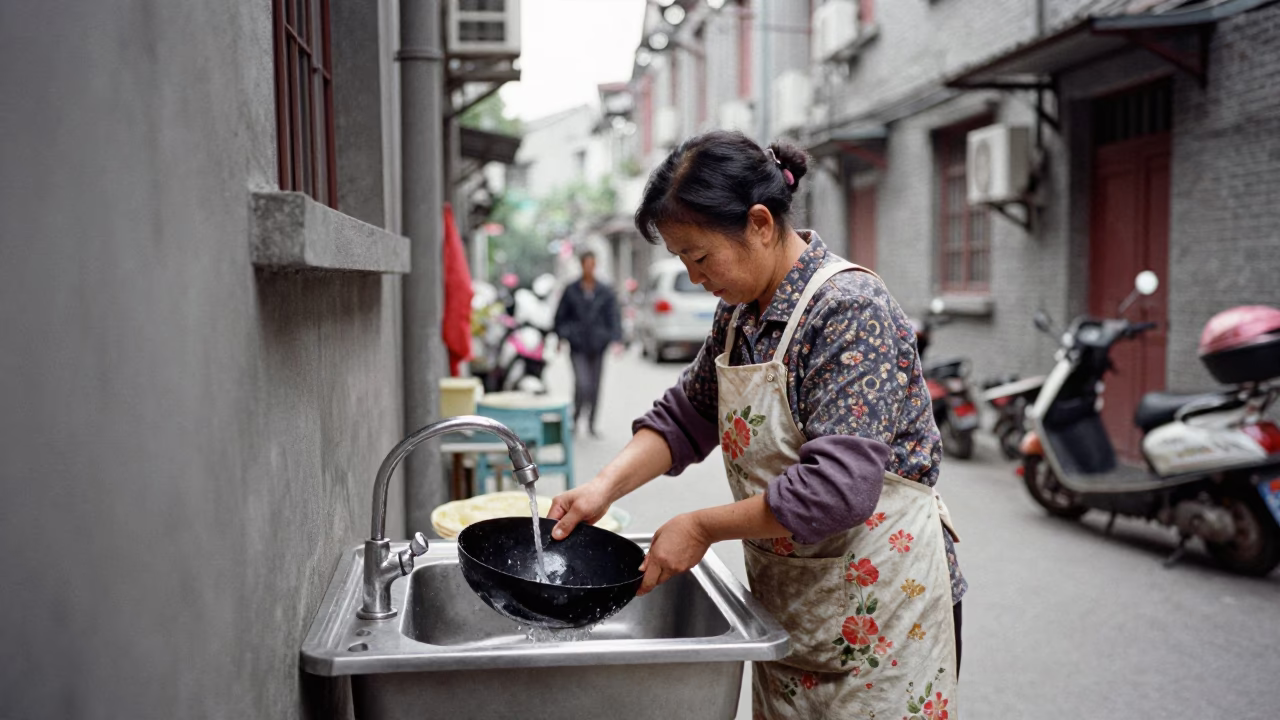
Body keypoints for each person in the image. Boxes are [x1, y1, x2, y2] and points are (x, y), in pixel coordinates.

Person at [547, 131, 965, 719]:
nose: (694, 277)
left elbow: (836, 489)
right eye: (681, 261)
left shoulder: (848, 308)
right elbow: (686, 416)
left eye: (699, 256)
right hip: (796, 611)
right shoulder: (742, 313)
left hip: (886, 614)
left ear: (761, 224)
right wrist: (602, 488)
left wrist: (700, 526)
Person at [553, 250, 623, 438]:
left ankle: (592, 423)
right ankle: (575, 419)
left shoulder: (605, 290)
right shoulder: (571, 289)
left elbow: (613, 316)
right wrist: (561, 337)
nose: (590, 268)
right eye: (586, 264)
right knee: (582, 384)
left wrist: (616, 339)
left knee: (595, 386)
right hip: (577, 345)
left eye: (593, 264)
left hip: (598, 345)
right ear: (582, 265)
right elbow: (561, 316)